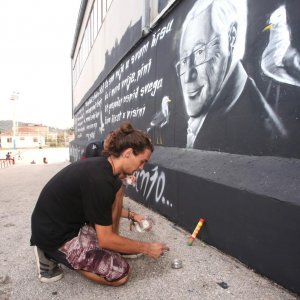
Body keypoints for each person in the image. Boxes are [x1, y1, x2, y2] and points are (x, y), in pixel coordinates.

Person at [30, 122, 169, 286]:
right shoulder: (100, 180)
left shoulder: (105, 169)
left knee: (112, 247)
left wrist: (132, 216)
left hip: (69, 226)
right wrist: (146, 248)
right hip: (54, 235)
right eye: (142, 161)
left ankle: (72, 252)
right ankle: (49, 253)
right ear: (128, 153)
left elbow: (103, 208)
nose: (142, 167)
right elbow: (106, 240)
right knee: (120, 275)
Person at [176, 0, 287, 155]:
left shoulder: (253, 128)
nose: (188, 75)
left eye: (200, 52)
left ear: (231, 37)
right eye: (184, 61)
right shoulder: (228, 108)